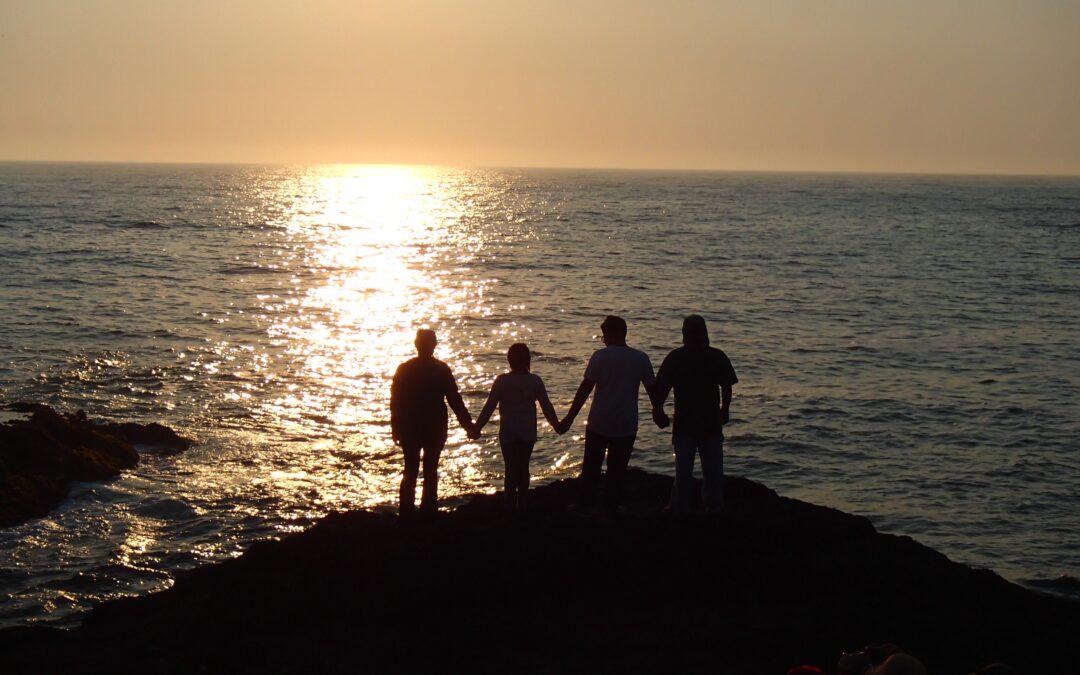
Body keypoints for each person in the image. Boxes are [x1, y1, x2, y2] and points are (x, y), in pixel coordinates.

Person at [559, 315, 663, 516]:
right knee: (617, 469)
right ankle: (611, 507)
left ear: (611, 334)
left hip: (599, 420)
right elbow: (653, 390)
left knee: (591, 467)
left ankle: (585, 505)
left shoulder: (600, 357)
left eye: (604, 335)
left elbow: (585, 389)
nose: (603, 339)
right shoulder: (640, 358)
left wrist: (570, 418)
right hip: (626, 422)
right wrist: (658, 412)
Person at [653, 315, 738, 513]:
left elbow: (662, 388)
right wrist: (725, 409)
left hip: (687, 423)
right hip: (708, 422)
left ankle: (681, 506)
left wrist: (658, 410)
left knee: (684, 469)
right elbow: (727, 386)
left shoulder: (676, 357)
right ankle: (713, 506)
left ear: (684, 334)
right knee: (712, 470)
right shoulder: (716, 355)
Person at [390, 329, 473, 516]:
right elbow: (454, 400)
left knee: (410, 470)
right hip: (434, 427)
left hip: (411, 427)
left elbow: (396, 402)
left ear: (416, 345)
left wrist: (396, 427)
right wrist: (468, 426)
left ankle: (407, 514)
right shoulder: (441, 369)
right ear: (434, 345)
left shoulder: (405, 369)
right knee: (430, 470)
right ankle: (428, 513)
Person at [470, 343, 561, 512]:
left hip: (508, 429)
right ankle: (523, 503)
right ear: (528, 360)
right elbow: (546, 406)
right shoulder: (535, 380)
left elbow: (489, 407)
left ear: (509, 360)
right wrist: (557, 425)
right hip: (527, 430)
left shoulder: (502, 380)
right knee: (523, 467)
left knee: (510, 468)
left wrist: (477, 427)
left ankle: (509, 504)